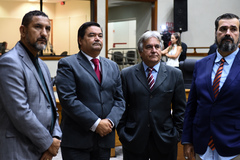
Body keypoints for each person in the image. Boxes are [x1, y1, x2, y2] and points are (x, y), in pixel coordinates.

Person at [55, 21, 125, 160]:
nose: (97, 38)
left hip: (104, 138)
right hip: (77, 141)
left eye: (100, 35)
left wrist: (110, 122)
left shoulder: (112, 66)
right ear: (80, 40)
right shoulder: (68, 64)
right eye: (92, 35)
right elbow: (69, 100)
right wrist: (96, 123)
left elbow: (119, 100)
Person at [0, 10, 62, 160]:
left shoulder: (42, 65)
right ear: (23, 30)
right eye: (38, 27)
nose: (44, 33)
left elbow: (52, 106)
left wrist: (56, 138)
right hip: (19, 148)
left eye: (47, 28)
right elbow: (20, 112)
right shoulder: (10, 62)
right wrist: (48, 143)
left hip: (42, 148)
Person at [117, 31, 186, 160]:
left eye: (157, 46)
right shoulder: (127, 74)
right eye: (149, 47)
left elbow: (180, 109)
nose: (154, 50)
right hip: (134, 138)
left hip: (165, 138)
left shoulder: (175, 74)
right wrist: (122, 132)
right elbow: (121, 106)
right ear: (140, 51)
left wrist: (177, 134)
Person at [182, 13, 240, 160]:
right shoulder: (201, 65)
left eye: (233, 29)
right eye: (223, 29)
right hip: (202, 145)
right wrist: (187, 140)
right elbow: (192, 106)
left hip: (234, 146)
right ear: (216, 33)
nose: (228, 33)